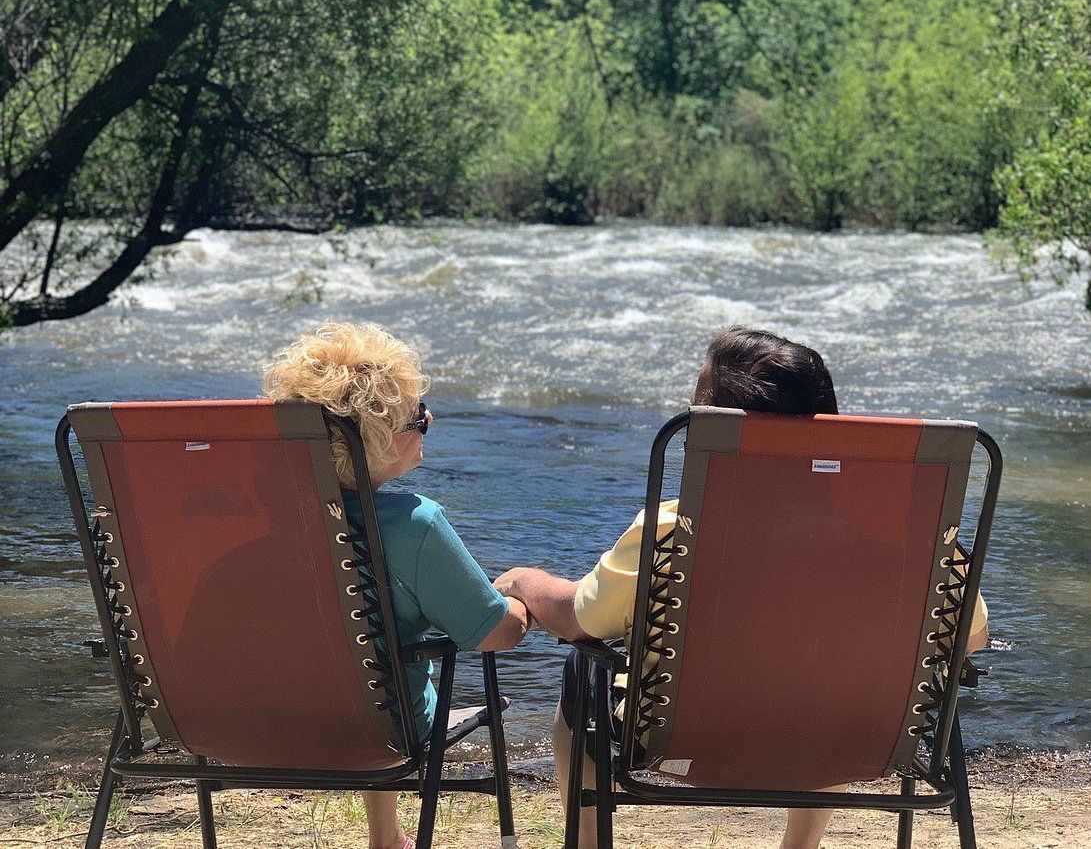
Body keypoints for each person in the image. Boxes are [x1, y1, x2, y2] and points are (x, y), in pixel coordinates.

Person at [494, 325, 989, 849]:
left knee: (582, 667)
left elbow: (578, 619)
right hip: (853, 742)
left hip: (692, 742)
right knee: (839, 669)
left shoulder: (675, 529)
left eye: (696, 415)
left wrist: (524, 580)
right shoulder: (904, 534)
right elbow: (969, 636)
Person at [264, 322, 529, 849]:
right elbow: (496, 634)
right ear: (376, 443)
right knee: (385, 677)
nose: (429, 420)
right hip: (380, 726)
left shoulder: (268, 517)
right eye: (416, 418)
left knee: (360, 655)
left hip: (259, 719)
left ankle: (386, 837)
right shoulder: (413, 526)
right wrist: (523, 599)